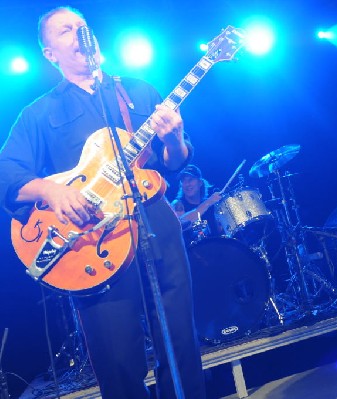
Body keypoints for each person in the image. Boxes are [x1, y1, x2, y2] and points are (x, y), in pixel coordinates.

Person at [0, 6, 206, 398]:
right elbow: (6, 173)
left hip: (154, 222)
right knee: (117, 361)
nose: (78, 33)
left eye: (82, 26)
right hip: (92, 241)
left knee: (180, 342)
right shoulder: (39, 113)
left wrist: (174, 138)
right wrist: (51, 191)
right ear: (49, 53)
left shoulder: (138, 90)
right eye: (65, 31)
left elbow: (177, 163)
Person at [171, 164, 223, 244]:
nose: (187, 184)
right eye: (183, 181)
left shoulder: (212, 205)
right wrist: (208, 202)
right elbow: (180, 225)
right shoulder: (178, 204)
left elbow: (220, 231)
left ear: (200, 183)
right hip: (192, 254)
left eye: (190, 179)